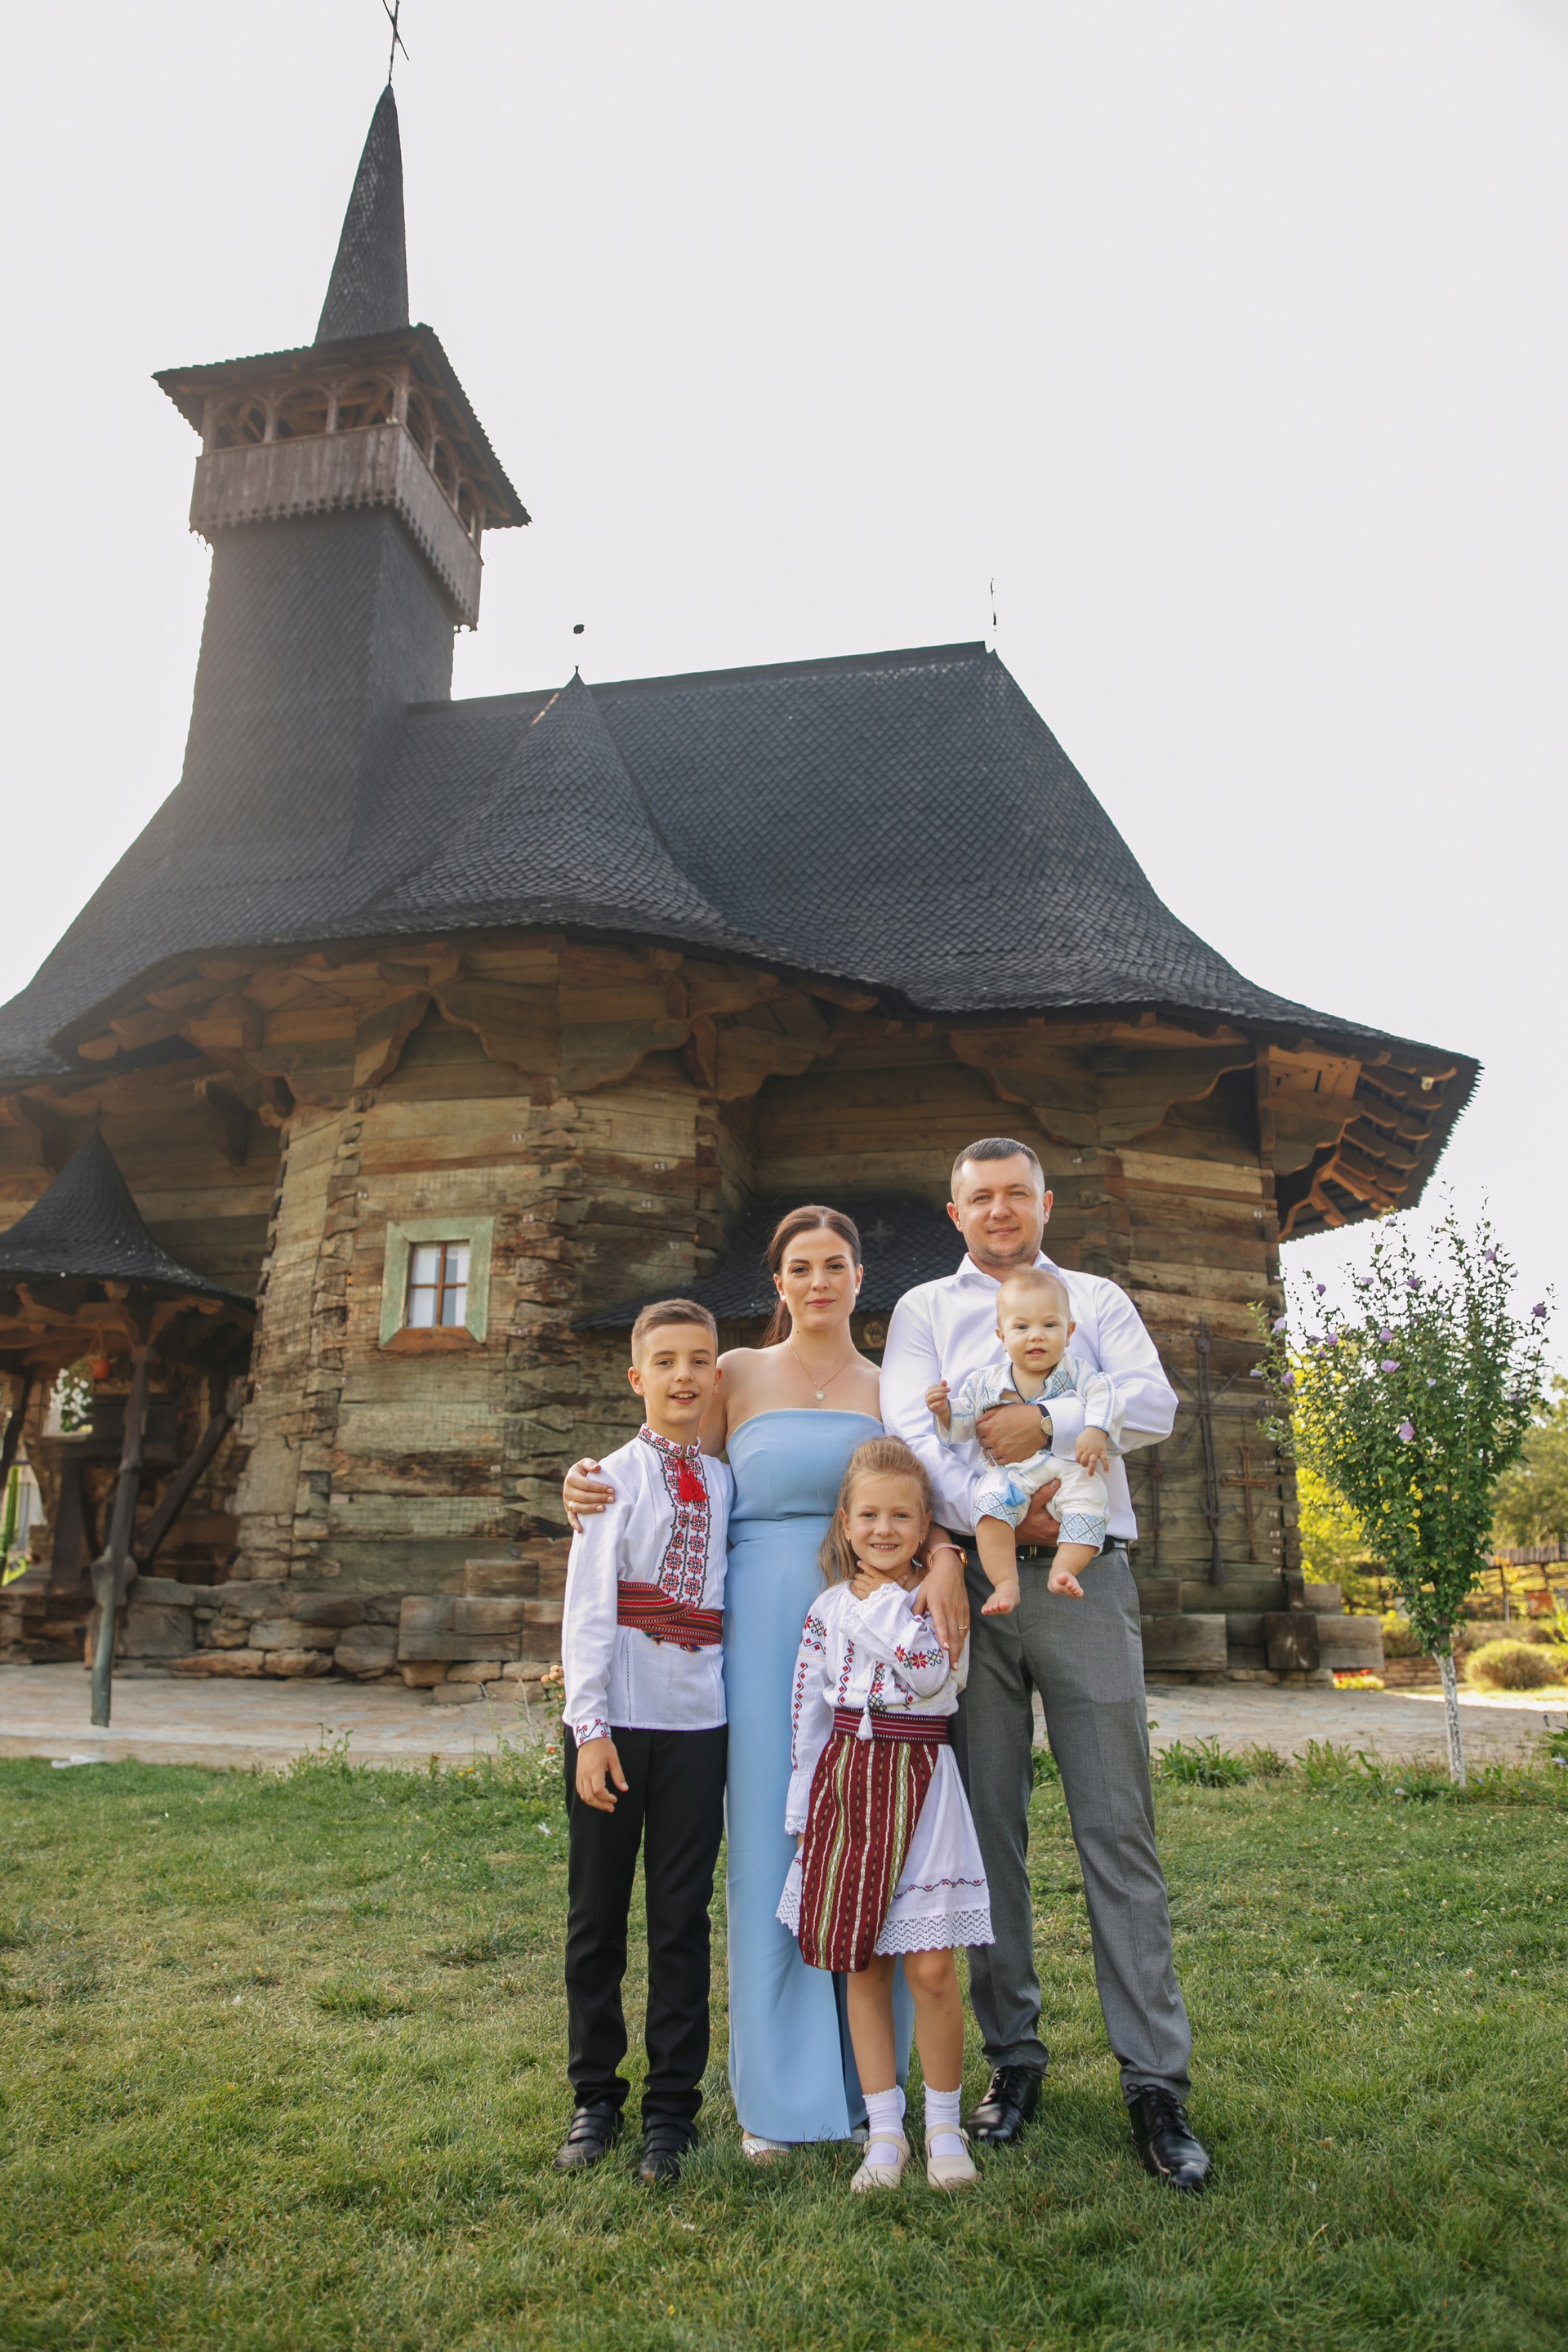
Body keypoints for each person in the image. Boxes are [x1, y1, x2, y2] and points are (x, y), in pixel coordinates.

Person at [563, 1206, 968, 2158]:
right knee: (768, 1850)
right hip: (752, 1636)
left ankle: (869, 2091)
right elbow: (667, 1470)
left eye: (835, 1265)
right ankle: (779, 2099)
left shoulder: (888, 1385)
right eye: (801, 1267)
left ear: (860, 1276)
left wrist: (947, 1555)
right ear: (776, 1282)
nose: (819, 1281)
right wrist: (584, 1485)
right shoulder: (736, 1373)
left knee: (862, 1840)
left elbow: (931, 1496)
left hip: (863, 1634)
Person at [882, 1137, 1212, 2193]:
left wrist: (1051, 1421)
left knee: (1116, 1826)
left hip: (1086, 1581)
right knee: (987, 1832)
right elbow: (909, 1429)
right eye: (980, 1197)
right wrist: (998, 1501)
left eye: (1016, 1194)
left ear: (1045, 1203)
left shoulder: (1096, 1301)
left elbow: (1153, 1404)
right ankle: (1013, 2058)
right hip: (973, 1587)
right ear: (955, 1212)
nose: (1000, 1210)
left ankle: (1154, 2082)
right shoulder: (924, 1311)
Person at [779, 1436, 991, 2192]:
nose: (883, 1530)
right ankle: (886, 2131)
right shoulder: (826, 1610)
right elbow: (808, 1712)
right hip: (848, 1785)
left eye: (902, 1516)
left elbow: (934, 1676)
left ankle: (944, 2126)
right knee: (862, 1959)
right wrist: (804, 1811)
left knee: (930, 1968)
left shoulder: (938, 1598)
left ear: (925, 1524)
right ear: (845, 1522)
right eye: (868, 1515)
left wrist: (883, 1607)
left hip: (922, 1784)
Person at [554, 1298, 733, 2187]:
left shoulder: (729, 1482)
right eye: (665, 1362)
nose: (684, 1376)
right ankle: (595, 2096)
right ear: (637, 1378)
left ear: (716, 1375)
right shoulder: (609, 1479)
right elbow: (588, 1610)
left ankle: (672, 2110)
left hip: (699, 1726)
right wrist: (588, 1729)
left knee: (680, 1921)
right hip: (617, 1725)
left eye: (699, 1360)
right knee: (597, 1916)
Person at [930, 1264, 1124, 1618]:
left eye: (1049, 1325)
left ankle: (1065, 1568)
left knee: (1090, 1497)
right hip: (1010, 1475)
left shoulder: (1077, 1372)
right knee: (988, 1502)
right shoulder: (985, 1382)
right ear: (1002, 1336)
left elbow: (1105, 1395)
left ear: (1069, 1332)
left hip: (1068, 1468)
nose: (1036, 1336)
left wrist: (1096, 1429)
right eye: (1022, 1327)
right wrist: (945, 1411)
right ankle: (1005, 1582)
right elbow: (965, 1423)